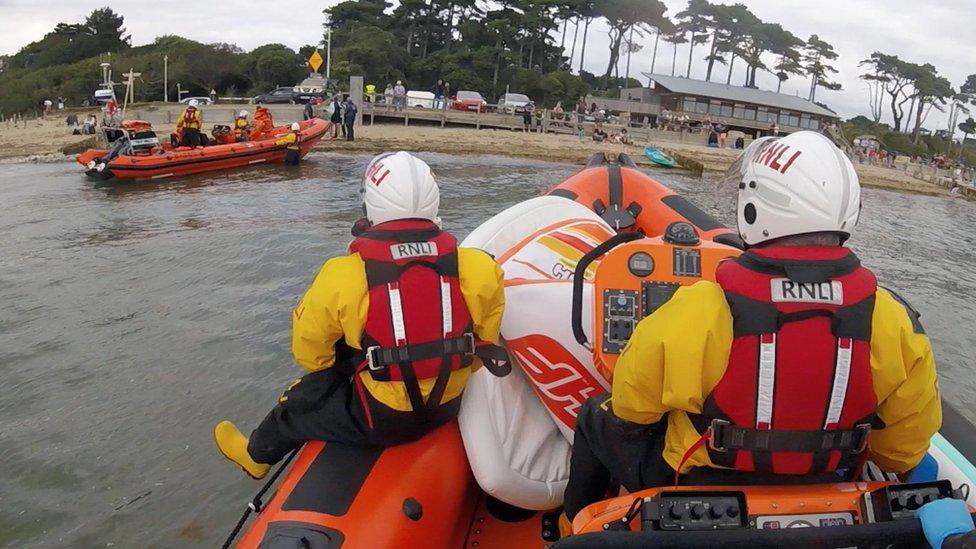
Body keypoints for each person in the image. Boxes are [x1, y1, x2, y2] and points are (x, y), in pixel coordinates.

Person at [562, 131, 942, 522]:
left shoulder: (700, 308)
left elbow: (630, 407)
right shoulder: (895, 322)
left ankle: (575, 523)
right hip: (829, 485)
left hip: (698, 487)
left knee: (596, 417)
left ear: (755, 206)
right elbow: (900, 451)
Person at [213, 151, 507, 478]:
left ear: (370, 206)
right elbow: (481, 347)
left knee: (302, 398)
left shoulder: (342, 274)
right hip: (450, 404)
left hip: (382, 417)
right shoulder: (482, 268)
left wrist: (354, 362)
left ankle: (256, 455)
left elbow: (311, 357)